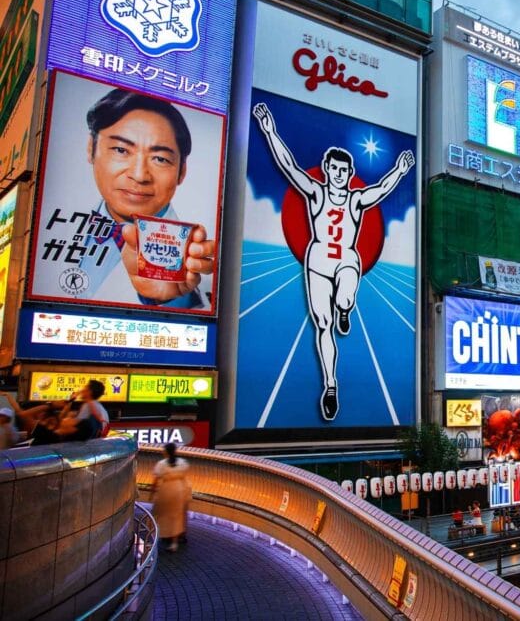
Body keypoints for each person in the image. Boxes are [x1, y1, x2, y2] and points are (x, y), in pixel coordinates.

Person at [252, 103, 415, 421]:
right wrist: (270, 130)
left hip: (347, 260)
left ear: (349, 174)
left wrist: (400, 169)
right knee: (322, 325)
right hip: (318, 260)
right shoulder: (315, 192)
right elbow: (289, 167)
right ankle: (330, 384)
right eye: (334, 169)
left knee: (346, 296)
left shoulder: (356, 199)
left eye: (344, 171)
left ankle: (345, 308)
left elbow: (381, 190)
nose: (339, 175)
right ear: (327, 170)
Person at [37, 88, 216, 308]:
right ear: (91, 148)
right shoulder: (47, 226)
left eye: (160, 159)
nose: (139, 175)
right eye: (121, 150)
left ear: (182, 171)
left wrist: (168, 300)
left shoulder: (201, 255)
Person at [152, 442, 191, 552]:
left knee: (160, 515)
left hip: (165, 490)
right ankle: (174, 543)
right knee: (176, 516)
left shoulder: (161, 464)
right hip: (179, 490)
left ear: (165, 452)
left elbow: (155, 480)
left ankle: (158, 537)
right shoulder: (182, 463)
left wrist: (152, 494)